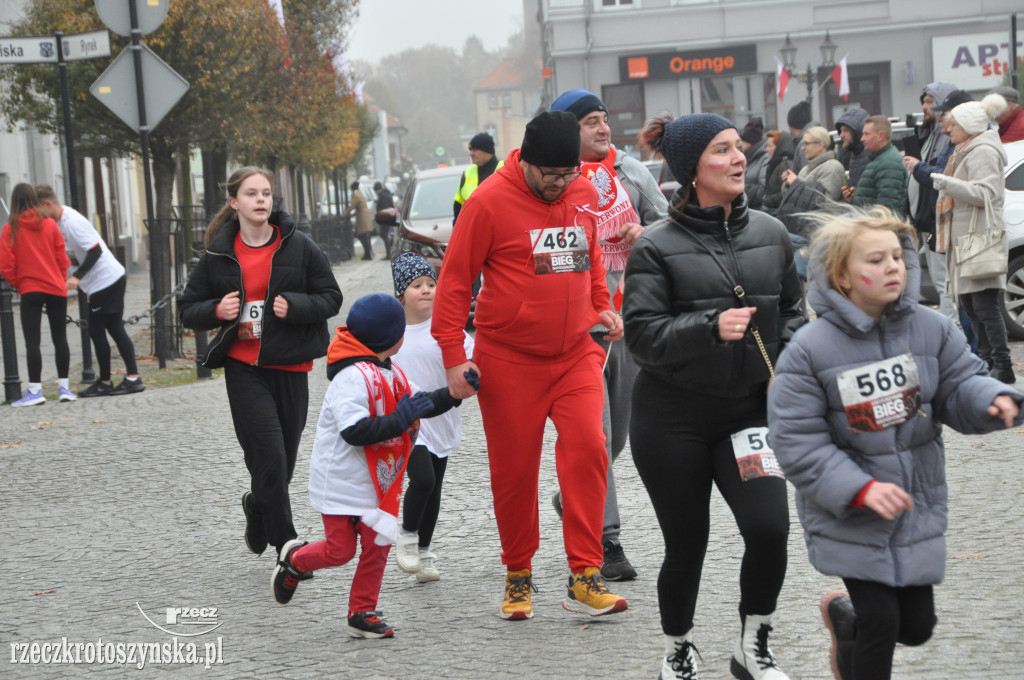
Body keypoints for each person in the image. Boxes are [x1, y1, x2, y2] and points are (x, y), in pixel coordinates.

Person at [767, 208, 1023, 680]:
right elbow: (797, 442)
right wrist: (859, 489)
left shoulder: (932, 328)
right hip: (852, 513)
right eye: (877, 259)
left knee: (916, 626)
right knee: (882, 622)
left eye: (897, 257)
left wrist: (995, 400)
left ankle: (846, 625)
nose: (893, 267)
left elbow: (961, 383)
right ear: (842, 278)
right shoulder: (808, 350)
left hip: (913, 505)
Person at [626, 113, 805, 680]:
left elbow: (797, 313)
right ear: (691, 170)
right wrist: (709, 326)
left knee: (770, 528)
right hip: (671, 419)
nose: (736, 159)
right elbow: (641, 336)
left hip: (748, 412)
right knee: (687, 546)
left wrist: (789, 363)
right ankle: (679, 646)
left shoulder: (772, 234)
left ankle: (754, 645)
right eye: (721, 151)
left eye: (737, 149)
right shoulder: (655, 245)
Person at [431, 110, 628, 621]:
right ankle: (518, 573)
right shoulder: (488, 203)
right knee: (514, 472)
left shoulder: (581, 191)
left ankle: (585, 573)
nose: (559, 185)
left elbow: (588, 260)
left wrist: (601, 306)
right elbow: (454, 284)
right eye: (551, 176)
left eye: (568, 175)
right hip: (508, 358)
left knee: (590, 447)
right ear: (528, 163)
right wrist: (454, 357)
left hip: (576, 353)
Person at [271, 293, 462, 638]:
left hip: (376, 482)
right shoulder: (351, 377)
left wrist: (454, 393)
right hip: (341, 480)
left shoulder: (389, 370)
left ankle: (362, 611)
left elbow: (421, 403)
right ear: (394, 338)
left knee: (379, 542)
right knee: (339, 551)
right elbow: (355, 432)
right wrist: (399, 418)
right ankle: (295, 562)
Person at [179, 167, 343, 561]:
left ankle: (257, 505)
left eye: (266, 193)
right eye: (251, 194)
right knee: (268, 453)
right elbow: (188, 309)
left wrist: (295, 305)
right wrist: (217, 308)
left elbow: (331, 297)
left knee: (281, 462)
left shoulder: (299, 246)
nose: (261, 200)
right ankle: (287, 542)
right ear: (234, 202)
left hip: (289, 366)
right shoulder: (219, 253)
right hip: (243, 366)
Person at [549, 87, 668, 581]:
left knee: (616, 437)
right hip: (582, 329)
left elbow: (672, 228)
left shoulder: (631, 173)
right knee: (594, 439)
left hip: (632, 321)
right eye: (590, 122)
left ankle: (574, 495)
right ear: (567, 131)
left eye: (603, 120)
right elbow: (545, 255)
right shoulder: (554, 183)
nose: (603, 129)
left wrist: (646, 235)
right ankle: (608, 541)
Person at [390, 252, 474, 583]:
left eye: (430, 284)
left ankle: (424, 551)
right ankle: (407, 536)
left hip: (442, 416)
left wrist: (473, 377)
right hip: (408, 420)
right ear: (400, 294)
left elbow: (469, 358)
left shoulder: (447, 327)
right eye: (416, 285)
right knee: (422, 479)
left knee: (434, 487)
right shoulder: (392, 331)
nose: (425, 290)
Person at [932, 101, 1016, 384]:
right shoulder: (966, 149)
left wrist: (947, 183)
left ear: (969, 126)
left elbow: (986, 193)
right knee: (970, 305)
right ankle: (987, 361)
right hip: (967, 239)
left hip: (979, 239)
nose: (948, 129)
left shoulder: (981, 151)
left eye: (953, 124)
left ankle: (1001, 365)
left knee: (984, 306)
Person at [35, 184, 143, 397]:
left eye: (38, 211)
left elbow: (95, 250)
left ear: (47, 204)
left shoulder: (72, 222)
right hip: (101, 283)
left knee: (98, 330)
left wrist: (77, 277)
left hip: (106, 281)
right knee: (113, 328)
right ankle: (130, 377)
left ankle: (110, 380)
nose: (38, 216)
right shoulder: (58, 223)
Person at [0, 184, 75, 405]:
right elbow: (62, 259)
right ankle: (65, 388)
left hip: (30, 289)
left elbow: (6, 265)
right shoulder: (50, 224)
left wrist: (19, 284)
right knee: (60, 337)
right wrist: (60, 279)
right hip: (55, 288)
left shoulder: (10, 228)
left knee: (32, 341)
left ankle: (35, 390)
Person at [901, 81, 959, 325]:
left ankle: (953, 328)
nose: (925, 107)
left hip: (940, 217)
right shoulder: (932, 134)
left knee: (945, 279)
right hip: (926, 216)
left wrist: (918, 166)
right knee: (939, 279)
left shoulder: (950, 140)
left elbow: (941, 176)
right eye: (924, 102)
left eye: (930, 102)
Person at [778, 125, 847, 277]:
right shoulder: (805, 169)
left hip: (814, 236)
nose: (803, 148)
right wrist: (788, 184)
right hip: (799, 230)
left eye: (807, 144)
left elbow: (824, 200)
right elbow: (794, 197)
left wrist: (796, 183)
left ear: (821, 145)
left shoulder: (832, 167)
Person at [841, 116, 908, 216]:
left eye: (866, 134)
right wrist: (857, 197)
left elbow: (886, 209)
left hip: (878, 228)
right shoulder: (878, 158)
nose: (862, 139)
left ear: (880, 136)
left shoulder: (888, 163)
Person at [453, 132, 503, 224]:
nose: (471, 154)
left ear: (487, 151)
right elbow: (458, 208)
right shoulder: (467, 173)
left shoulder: (505, 169)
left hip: (500, 230)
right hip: (473, 231)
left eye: (475, 150)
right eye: (470, 150)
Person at [739, 117, 770, 209]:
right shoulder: (747, 157)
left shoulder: (765, 158)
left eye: (742, 141)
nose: (739, 144)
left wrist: (742, 192)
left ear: (750, 143)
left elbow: (764, 190)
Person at [834, 107, 870, 188]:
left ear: (858, 131)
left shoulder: (870, 155)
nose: (841, 135)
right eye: (841, 131)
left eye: (846, 130)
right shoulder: (853, 154)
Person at [346, 181, 375, 260]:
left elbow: (352, 205)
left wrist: (345, 214)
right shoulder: (360, 193)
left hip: (362, 217)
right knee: (365, 236)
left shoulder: (356, 195)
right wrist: (352, 215)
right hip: (364, 215)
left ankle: (367, 254)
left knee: (361, 235)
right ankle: (368, 253)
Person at [373, 181, 396, 257]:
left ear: (378, 189)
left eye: (375, 191)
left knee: (384, 234)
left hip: (385, 219)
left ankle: (389, 253)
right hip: (388, 218)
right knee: (384, 235)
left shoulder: (383, 196)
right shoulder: (386, 194)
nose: (375, 193)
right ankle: (389, 252)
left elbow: (384, 208)